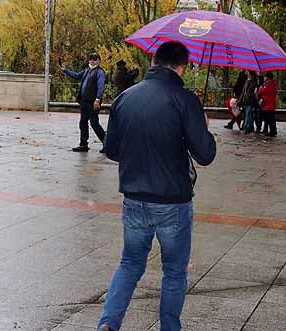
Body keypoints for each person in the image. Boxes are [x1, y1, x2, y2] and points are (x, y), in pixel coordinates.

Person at [98, 41, 216, 331]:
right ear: (182, 67)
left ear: (153, 60)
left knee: (129, 264)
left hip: (134, 198)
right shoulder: (185, 100)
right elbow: (206, 155)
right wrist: (203, 125)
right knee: (174, 272)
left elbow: (111, 149)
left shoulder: (125, 97)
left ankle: (108, 324)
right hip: (173, 202)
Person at [61, 52, 107, 153]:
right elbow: (77, 75)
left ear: (99, 61)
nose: (92, 61)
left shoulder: (100, 72)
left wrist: (98, 99)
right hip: (84, 102)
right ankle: (83, 144)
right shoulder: (87, 70)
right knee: (83, 123)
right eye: (91, 59)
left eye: (94, 59)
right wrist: (66, 70)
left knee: (94, 123)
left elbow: (101, 86)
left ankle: (107, 143)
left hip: (93, 102)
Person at [257, 71, 278, 136]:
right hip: (269, 103)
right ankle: (273, 130)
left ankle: (272, 130)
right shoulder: (271, 83)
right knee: (271, 118)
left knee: (269, 118)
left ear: (267, 77)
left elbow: (263, 91)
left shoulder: (269, 84)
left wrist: (260, 88)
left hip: (268, 103)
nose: (264, 78)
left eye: (265, 77)